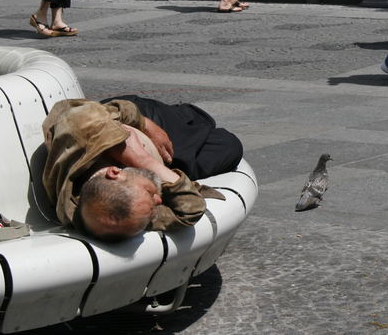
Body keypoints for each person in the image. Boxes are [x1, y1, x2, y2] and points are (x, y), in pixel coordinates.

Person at [42, 97, 243, 241]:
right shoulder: (118, 217)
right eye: (152, 202)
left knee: (195, 118)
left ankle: (183, 117)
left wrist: (143, 124)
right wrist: (141, 159)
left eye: (149, 193)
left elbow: (67, 109)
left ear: (115, 173)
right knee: (228, 146)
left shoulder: (78, 136)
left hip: (140, 120)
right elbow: (190, 209)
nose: (158, 200)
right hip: (161, 162)